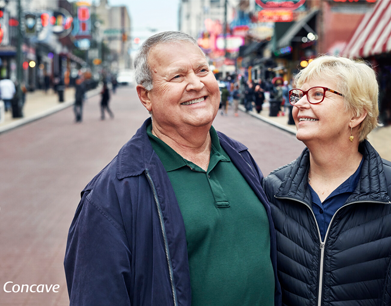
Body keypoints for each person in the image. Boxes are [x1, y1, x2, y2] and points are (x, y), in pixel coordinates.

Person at [65, 31, 281, 306]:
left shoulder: (240, 157)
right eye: (177, 76)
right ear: (146, 97)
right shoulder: (111, 194)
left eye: (203, 70)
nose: (196, 84)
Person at [263, 56, 391, 306]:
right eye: (298, 94)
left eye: (317, 94)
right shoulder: (274, 188)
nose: (300, 104)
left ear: (357, 114)